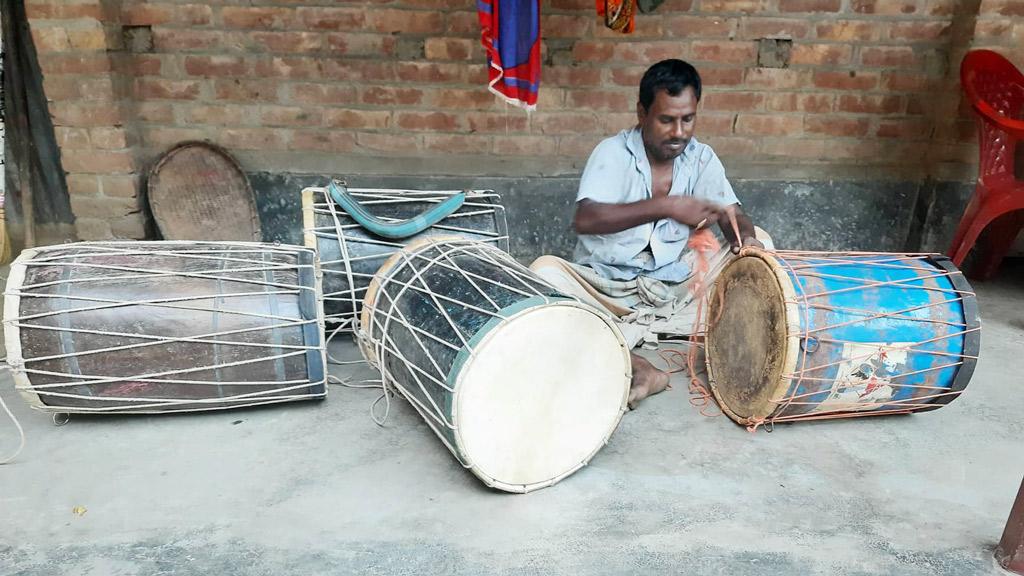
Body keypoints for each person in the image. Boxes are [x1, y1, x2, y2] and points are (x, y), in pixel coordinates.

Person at [529, 59, 772, 409]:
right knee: (543, 274)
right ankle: (639, 365)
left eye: (687, 119)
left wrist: (743, 238)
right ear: (642, 113)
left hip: (672, 289)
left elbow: (733, 214)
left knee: (761, 242)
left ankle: (616, 336)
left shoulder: (701, 158)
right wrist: (666, 206)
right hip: (606, 289)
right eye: (666, 120)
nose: (679, 132)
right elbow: (586, 219)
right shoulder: (612, 153)